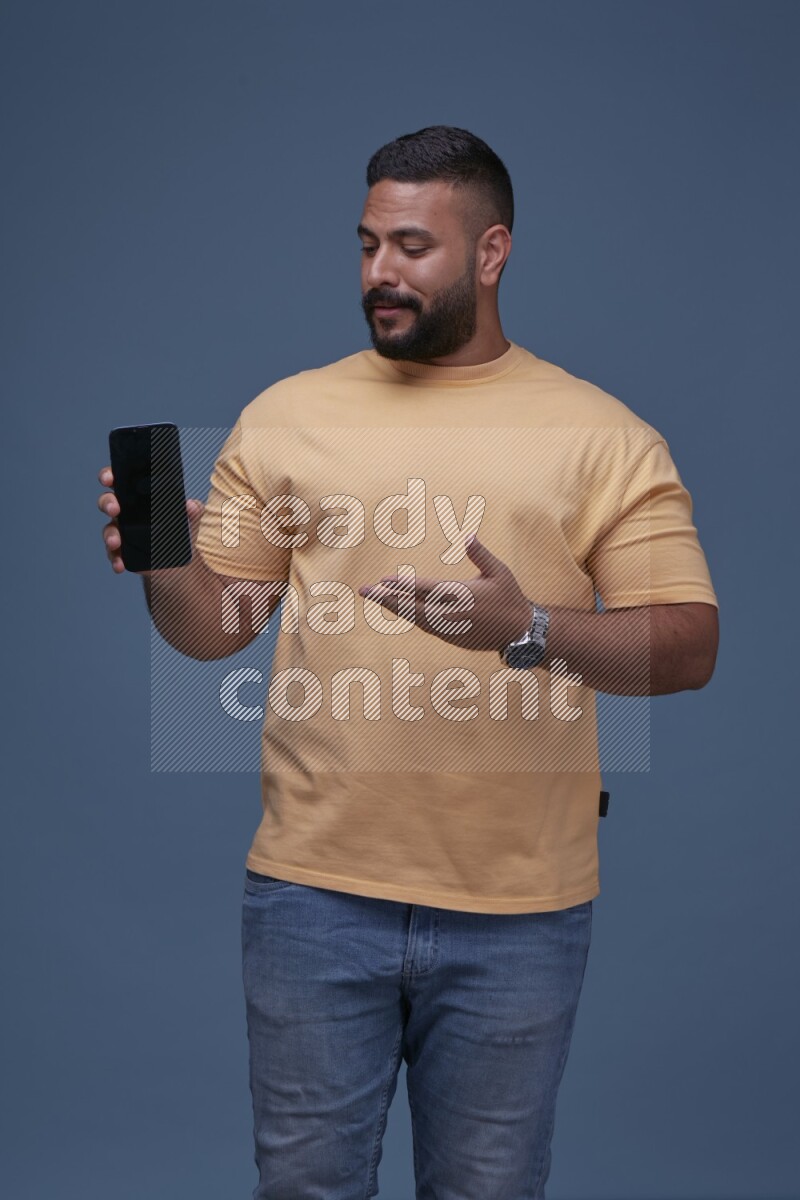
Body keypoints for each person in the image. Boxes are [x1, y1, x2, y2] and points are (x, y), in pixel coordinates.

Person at [97, 126, 719, 1199]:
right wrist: (163, 569)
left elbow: (687, 644)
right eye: (367, 243)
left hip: (519, 910)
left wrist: (528, 630)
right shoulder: (287, 417)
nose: (380, 273)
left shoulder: (601, 436)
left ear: (490, 253)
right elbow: (219, 626)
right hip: (310, 896)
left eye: (413, 247)